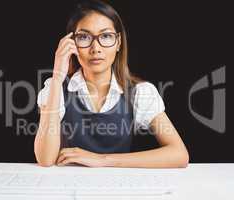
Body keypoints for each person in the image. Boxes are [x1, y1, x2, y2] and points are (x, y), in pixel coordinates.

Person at [34, 0, 189, 168]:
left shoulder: (140, 92)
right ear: (72, 44)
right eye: (84, 37)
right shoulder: (55, 88)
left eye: (106, 36)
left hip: (118, 189)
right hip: (67, 188)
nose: (96, 48)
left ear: (118, 42)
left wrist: (101, 160)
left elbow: (179, 154)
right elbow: (45, 159)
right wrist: (57, 77)